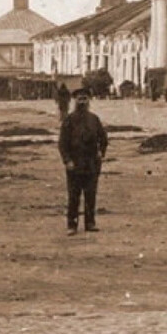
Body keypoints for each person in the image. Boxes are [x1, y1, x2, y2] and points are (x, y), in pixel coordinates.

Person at [58, 88, 109, 235]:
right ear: (75, 101)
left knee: (90, 195)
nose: (82, 102)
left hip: (91, 164)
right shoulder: (69, 120)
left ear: (89, 101)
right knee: (73, 195)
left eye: (85, 99)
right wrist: (67, 160)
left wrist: (101, 153)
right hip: (74, 164)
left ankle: (90, 223)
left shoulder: (94, 119)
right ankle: (72, 225)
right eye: (80, 99)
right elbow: (62, 143)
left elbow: (103, 139)